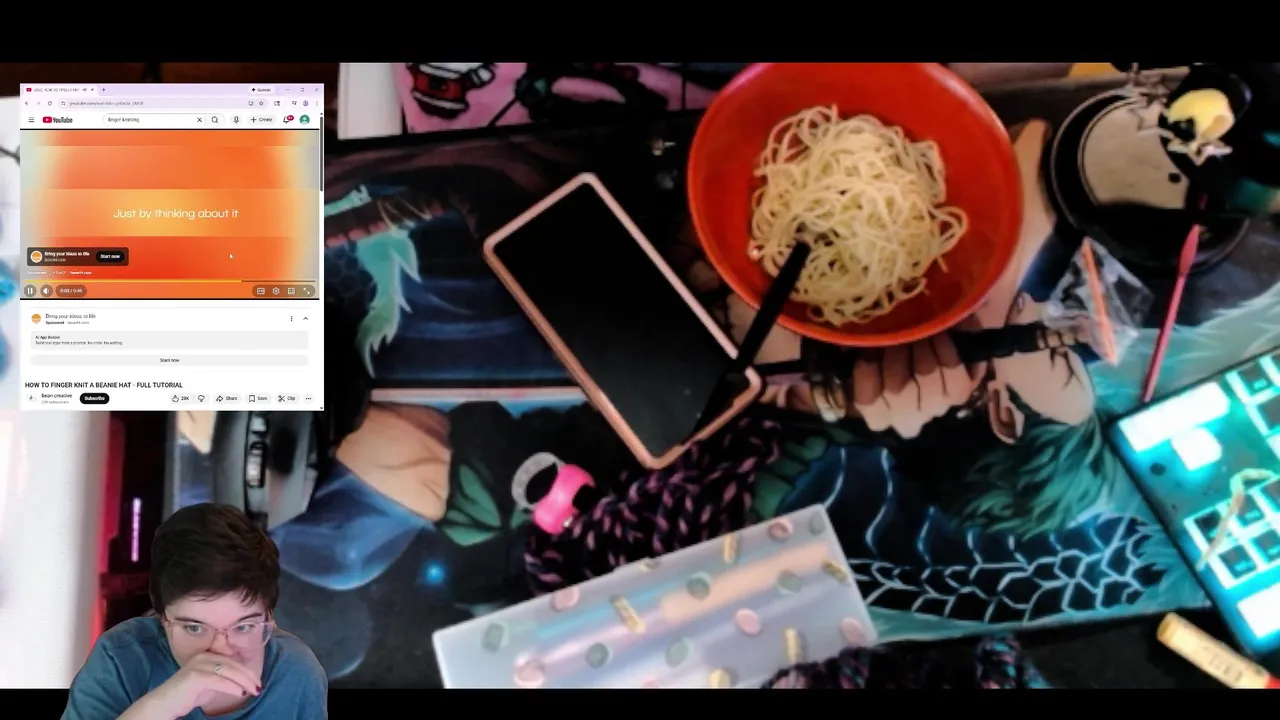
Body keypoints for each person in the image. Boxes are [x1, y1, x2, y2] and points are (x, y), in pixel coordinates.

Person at [63, 503, 327, 719]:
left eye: (243, 627)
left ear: (269, 616)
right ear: (162, 618)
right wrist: (165, 703)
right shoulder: (121, 658)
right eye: (194, 628)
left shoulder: (296, 673)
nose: (221, 651)